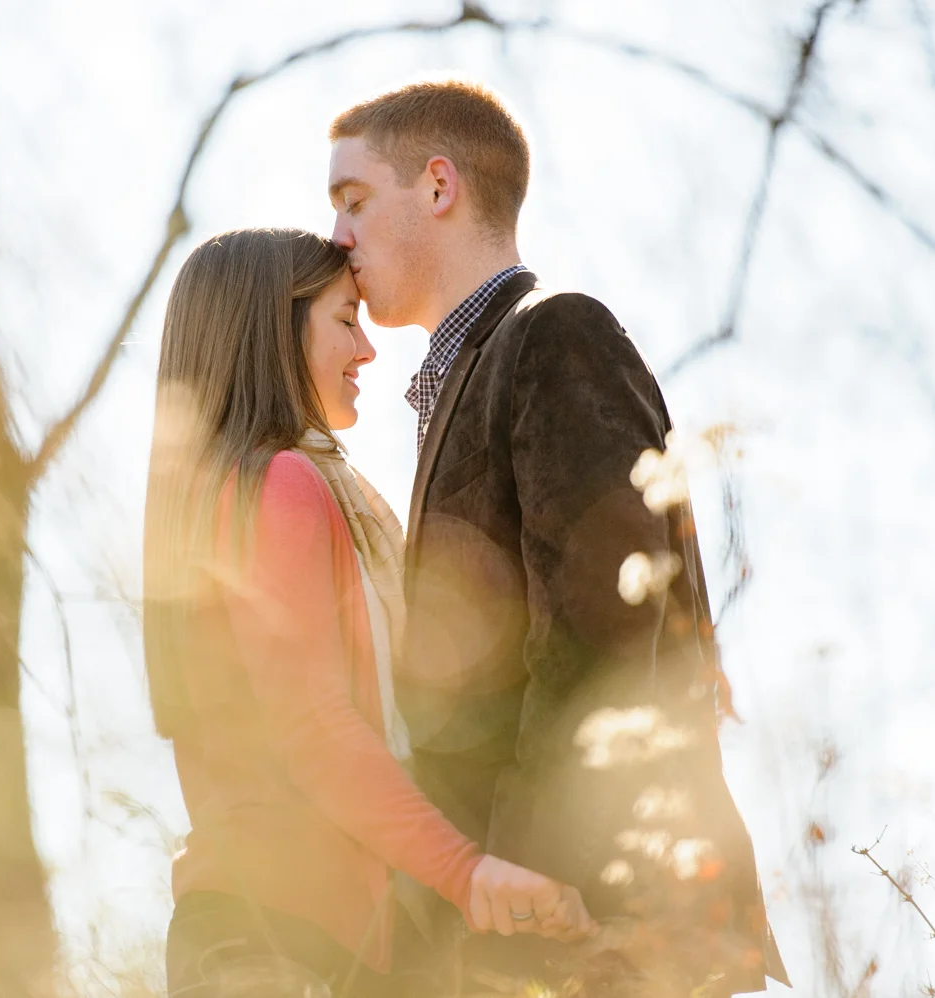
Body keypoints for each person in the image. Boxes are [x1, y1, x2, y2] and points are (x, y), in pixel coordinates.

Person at [326, 81, 791, 995]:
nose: (338, 237)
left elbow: (600, 632)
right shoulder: (457, 386)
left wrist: (519, 888)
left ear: (438, 185)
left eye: (353, 201)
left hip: (607, 916)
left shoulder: (555, 337)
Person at [143, 228, 597, 998]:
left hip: (277, 931)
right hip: (282, 941)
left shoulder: (218, 500)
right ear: (272, 330)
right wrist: (466, 872)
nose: (368, 351)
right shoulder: (282, 483)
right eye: (345, 320)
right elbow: (313, 726)